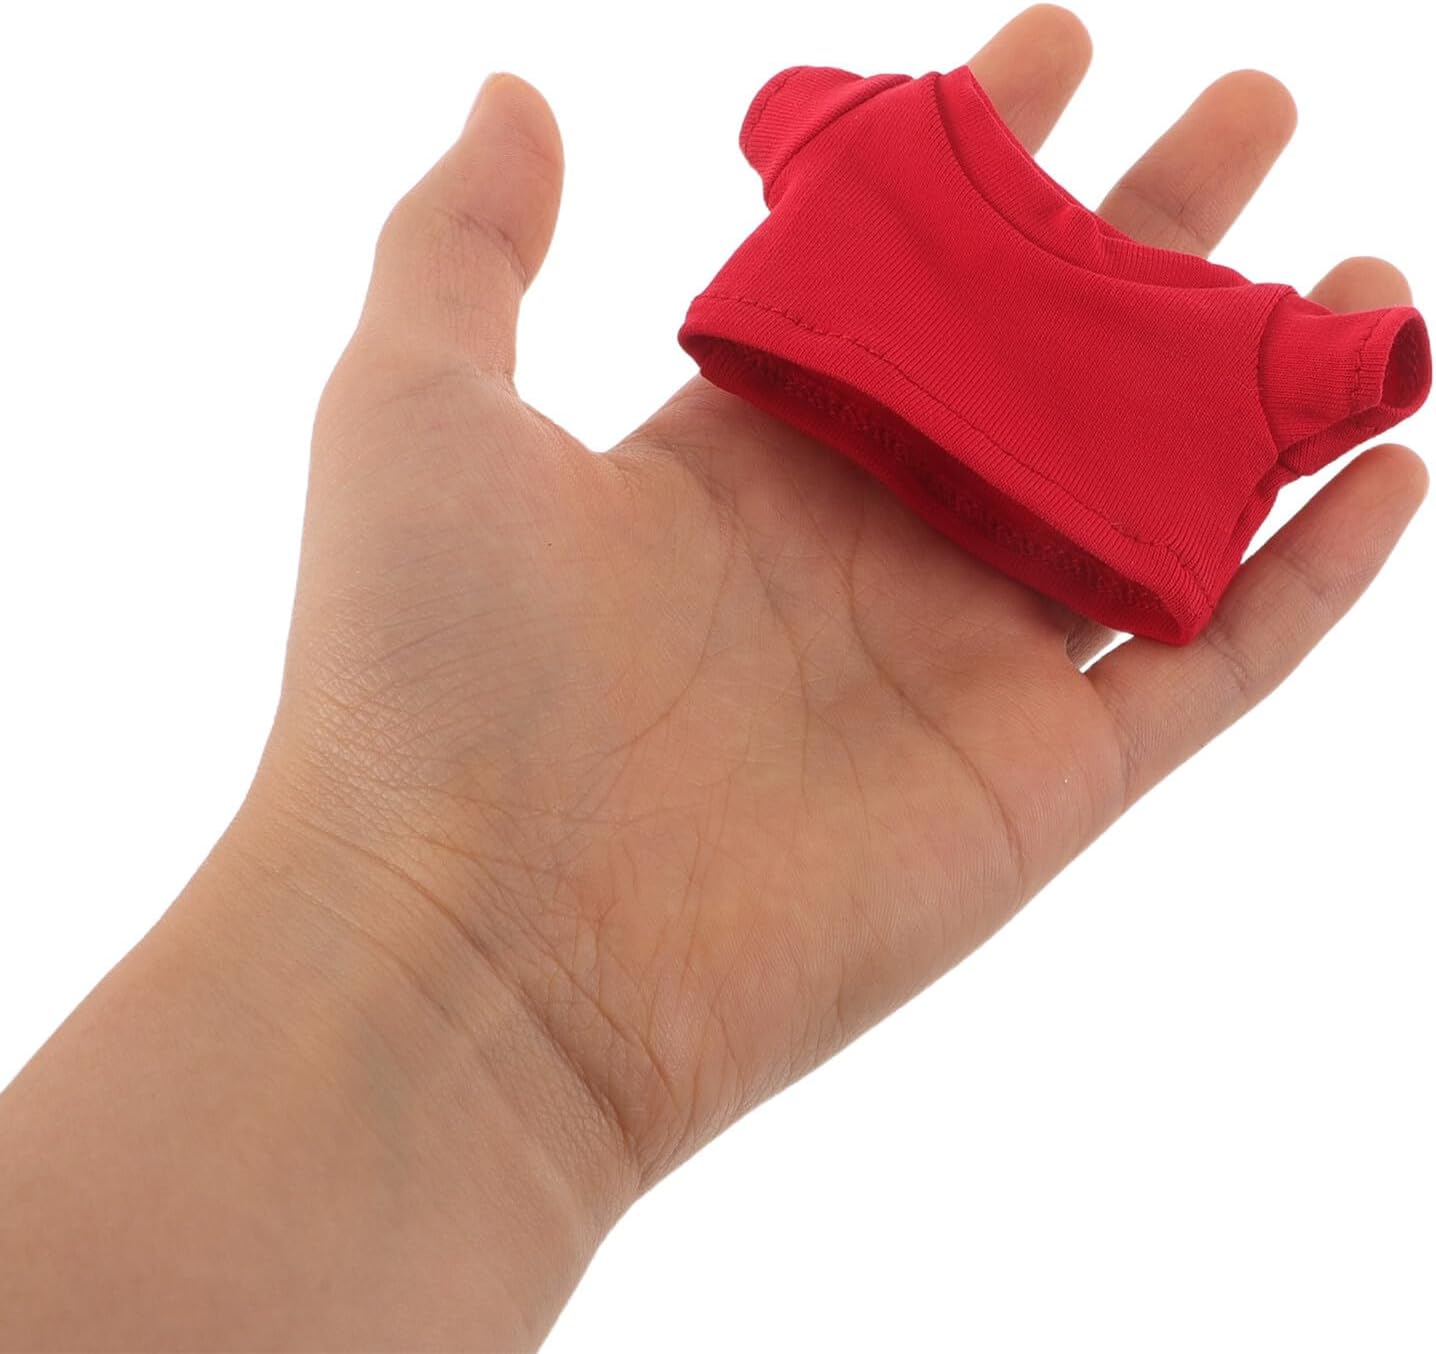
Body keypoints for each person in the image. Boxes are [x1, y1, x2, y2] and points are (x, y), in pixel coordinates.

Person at [0, 6, 1425, 1350]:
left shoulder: (872, 142)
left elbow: (786, 116)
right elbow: (1362, 368)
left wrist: (425, 945)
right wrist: (443, 947)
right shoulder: (987, 206)